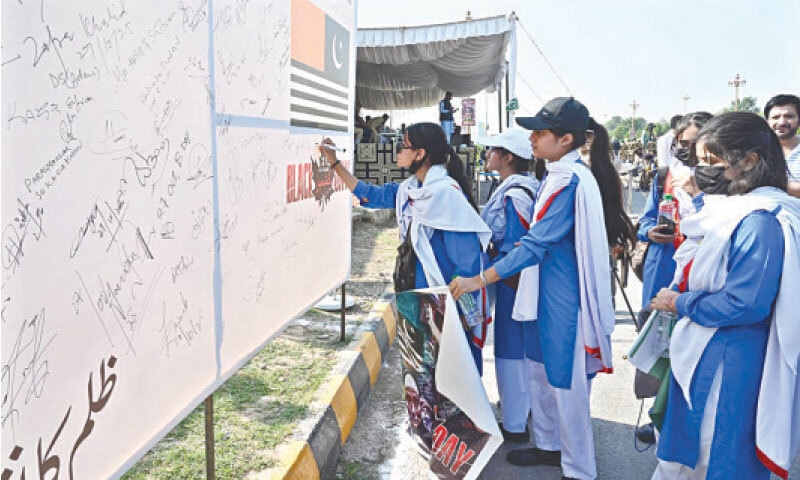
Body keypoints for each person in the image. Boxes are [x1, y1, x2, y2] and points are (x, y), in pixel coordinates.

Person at [450, 97, 616, 480]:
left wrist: (481, 279)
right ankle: (548, 445)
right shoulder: (555, 176)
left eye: (541, 132)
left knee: (565, 382)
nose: (533, 139)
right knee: (541, 373)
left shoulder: (569, 181)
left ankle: (578, 469)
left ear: (566, 140)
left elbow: (535, 244)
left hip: (562, 297)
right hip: (541, 293)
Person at [648, 111, 800, 479]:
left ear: (749, 161)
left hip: (730, 358)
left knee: (714, 453)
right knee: (691, 455)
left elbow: (745, 303)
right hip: (710, 345)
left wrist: (679, 302)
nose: (703, 170)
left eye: (712, 161)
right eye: (699, 161)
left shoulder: (761, 219)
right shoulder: (738, 209)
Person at [320, 122, 491, 372]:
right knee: (421, 377)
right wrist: (334, 163)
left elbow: (466, 264)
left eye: (402, 145)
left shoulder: (446, 196)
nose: (396, 150)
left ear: (420, 154)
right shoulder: (409, 190)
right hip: (414, 294)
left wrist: (465, 314)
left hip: (444, 304)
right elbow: (369, 194)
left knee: (452, 378)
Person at [634, 112, 712, 443]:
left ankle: (687, 420)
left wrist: (697, 194)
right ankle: (657, 417)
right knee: (657, 345)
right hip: (661, 270)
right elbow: (644, 220)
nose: (688, 150)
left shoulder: (722, 180)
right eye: (682, 143)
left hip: (698, 275)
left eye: (695, 144)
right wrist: (650, 231)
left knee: (693, 345)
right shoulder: (663, 176)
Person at [477, 129, 541, 443]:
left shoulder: (514, 194)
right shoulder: (521, 187)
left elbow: (515, 246)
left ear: (508, 157)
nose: (487, 154)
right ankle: (522, 412)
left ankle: (515, 425)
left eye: (493, 150)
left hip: (510, 281)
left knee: (510, 352)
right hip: (511, 279)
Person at [764, 94, 800, 197]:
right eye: (775, 117)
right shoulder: (757, 150)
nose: (782, 122)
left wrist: (768, 183)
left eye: (789, 116)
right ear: (767, 122)